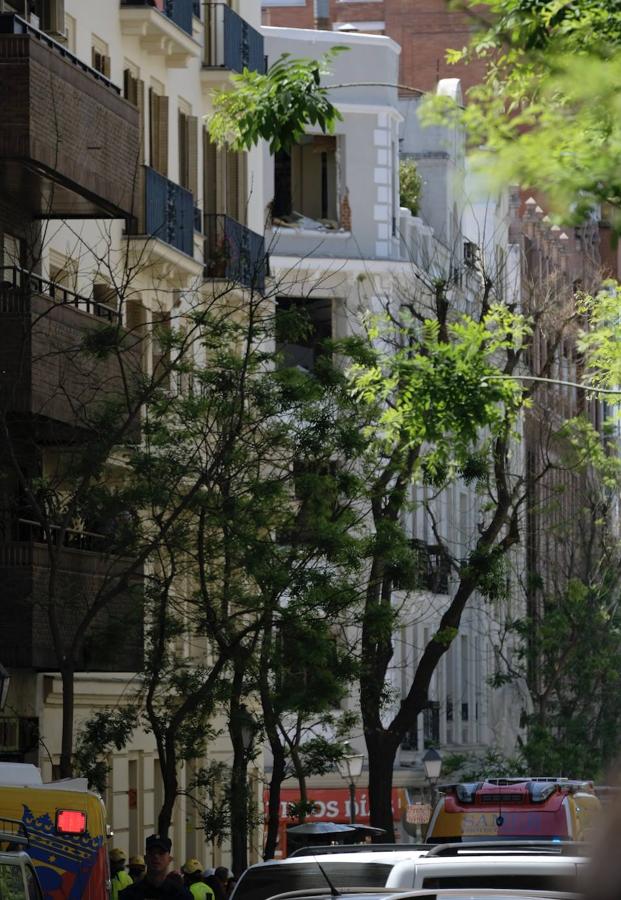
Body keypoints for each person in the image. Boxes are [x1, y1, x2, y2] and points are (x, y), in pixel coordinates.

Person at [119, 835, 192, 900]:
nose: (156, 856)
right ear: (145, 858)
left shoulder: (181, 895)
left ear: (169, 859)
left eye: (161, 853)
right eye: (152, 852)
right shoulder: (129, 895)